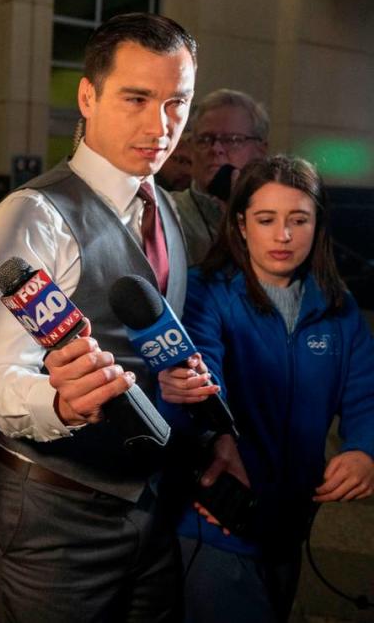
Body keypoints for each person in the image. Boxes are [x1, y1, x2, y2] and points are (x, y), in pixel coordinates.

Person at [0, 13, 213, 621]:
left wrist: (180, 386)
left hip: (151, 504)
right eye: (137, 98)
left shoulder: (168, 210)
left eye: (176, 103)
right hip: (55, 512)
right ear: (87, 96)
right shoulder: (31, 219)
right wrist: (60, 402)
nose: (160, 126)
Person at [159, 155, 374, 622]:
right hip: (215, 519)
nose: (283, 235)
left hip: (290, 520)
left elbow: (366, 394)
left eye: (299, 220)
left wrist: (363, 449)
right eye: (266, 219)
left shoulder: (338, 307)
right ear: (240, 224)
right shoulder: (204, 292)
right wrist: (213, 435)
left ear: (318, 226)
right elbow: (199, 378)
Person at [172, 89, 269, 265]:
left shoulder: (277, 215)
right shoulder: (167, 212)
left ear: (261, 151)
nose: (216, 149)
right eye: (205, 139)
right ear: (191, 148)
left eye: (232, 139)